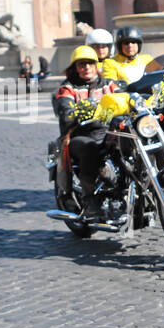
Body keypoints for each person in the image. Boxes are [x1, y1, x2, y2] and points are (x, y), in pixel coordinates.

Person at [52, 46, 122, 220]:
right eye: (82, 64)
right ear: (75, 67)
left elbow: (123, 97)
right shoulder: (68, 88)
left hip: (107, 132)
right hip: (79, 135)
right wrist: (81, 111)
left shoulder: (108, 84)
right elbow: (65, 112)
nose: (87, 68)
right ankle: (89, 200)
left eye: (90, 63)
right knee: (89, 148)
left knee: (130, 140)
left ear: (96, 65)